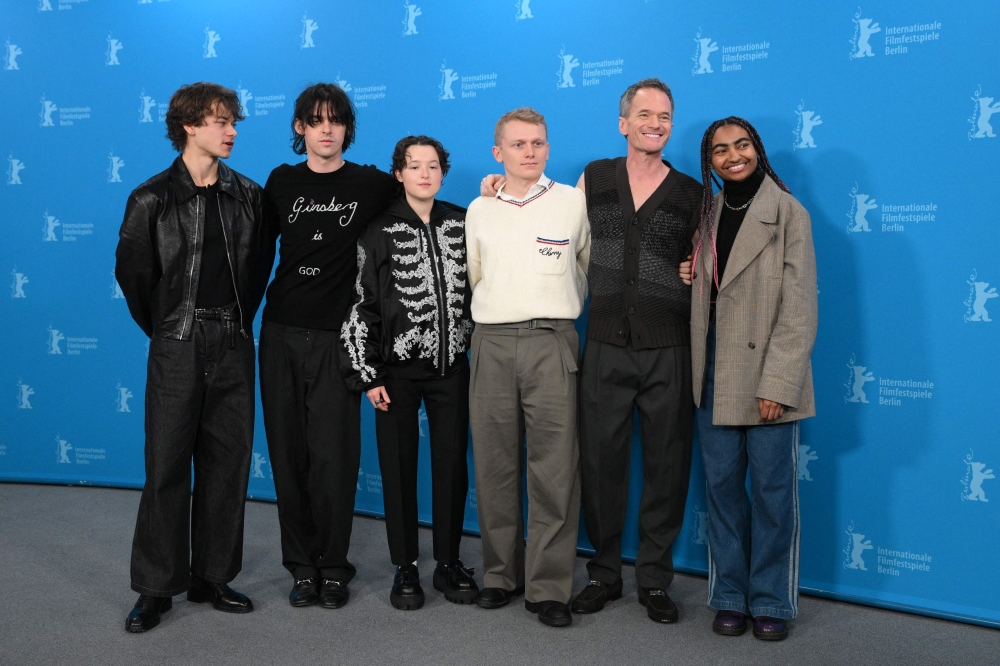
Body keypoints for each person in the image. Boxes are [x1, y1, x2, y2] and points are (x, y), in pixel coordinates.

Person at [481, 78, 700, 623]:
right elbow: (543, 222)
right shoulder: (593, 181)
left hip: (668, 345)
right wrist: (495, 188)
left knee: (666, 465)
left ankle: (653, 579)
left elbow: (709, 264)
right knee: (599, 465)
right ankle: (604, 573)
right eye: (644, 113)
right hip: (602, 344)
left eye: (665, 115)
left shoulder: (696, 194)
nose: (656, 122)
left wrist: (694, 271)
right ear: (623, 122)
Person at [115, 82, 268, 633]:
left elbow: (255, 274)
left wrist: (230, 325)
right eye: (220, 122)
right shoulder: (151, 198)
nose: (231, 132)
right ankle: (155, 588)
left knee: (228, 464)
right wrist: (171, 329)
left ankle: (212, 576)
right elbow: (135, 278)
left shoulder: (248, 195)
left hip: (233, 341)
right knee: (167, 466)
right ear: (188, 126)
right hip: (177, 343)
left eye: (234, 122)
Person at [259, 83, 397, 609]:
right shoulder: (281, 181)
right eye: (315, 120)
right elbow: (253, 251)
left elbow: (421, 199)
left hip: (340, 339)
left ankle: (334, 566)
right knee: (288, 453)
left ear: (346, 128)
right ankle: (301, 566)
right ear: (300, 127)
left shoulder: (371, 184)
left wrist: (493, 190)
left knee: (335, 458)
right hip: (279, 334)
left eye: (335, 120)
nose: (325, 129)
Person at [679, 116, 817, 641]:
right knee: (721, 491)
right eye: (720, 150)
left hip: (766, 378)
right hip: (713, 371)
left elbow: (800, 309)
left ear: (757, 149)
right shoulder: (708, 212)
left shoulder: (787, 212)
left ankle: (771, 601)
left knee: (773, 493)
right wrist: (686, 272)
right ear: (709, 161)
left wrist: (777, 386)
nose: (733, 155)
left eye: (742, 145)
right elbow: (709, 284)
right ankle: (731, 595)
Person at [340, 136, 478, 610]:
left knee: (452, 465)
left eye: (433, 165)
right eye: (414, 165)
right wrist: (367, 373)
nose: (425, 173)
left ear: (443, 171)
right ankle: (405, 566)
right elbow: (362, 304)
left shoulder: (463, 222)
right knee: (397, 468)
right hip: (395, 373)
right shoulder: (376, 231)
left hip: (452, 368)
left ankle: (448, 561)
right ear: (398, 173)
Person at [466, 107, 590, 628]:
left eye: (538, 142)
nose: (530, 152)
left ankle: (548, 586)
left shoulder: (571, 203)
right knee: (495, 466)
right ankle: (499, 574)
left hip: (551, 341)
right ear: (499, 153)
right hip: (491, 342)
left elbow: (585, 266)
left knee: (555, 468)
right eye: (518, 145)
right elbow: (475, 276)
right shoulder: (479, 207)